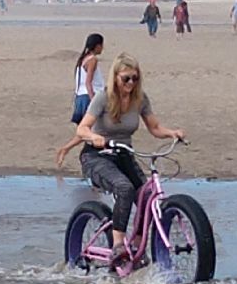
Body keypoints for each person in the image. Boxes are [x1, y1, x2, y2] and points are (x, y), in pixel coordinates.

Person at [76, 52, 185, 266]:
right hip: (97, 155)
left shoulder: (140, 99)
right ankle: (118, 245)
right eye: (126, 78)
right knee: (124, 188)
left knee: (147, 197)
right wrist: (94, 137)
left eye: (135, 78)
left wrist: (172, 133)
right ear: (115, 77)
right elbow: (82, 128)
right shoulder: (103, 97)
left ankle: (135, 246)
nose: (131, 83)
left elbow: (154, 128)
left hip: (124, 153)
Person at [55, 33, 105, 167]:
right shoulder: (92, 60)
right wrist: (94, 101)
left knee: (85, 132)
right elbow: (89, 83)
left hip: (80, 97)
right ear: (98, 46)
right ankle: (80, 155)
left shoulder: (82, 59)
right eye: (102, 45)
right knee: (93, 132)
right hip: (87, 97)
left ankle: (65, 149)